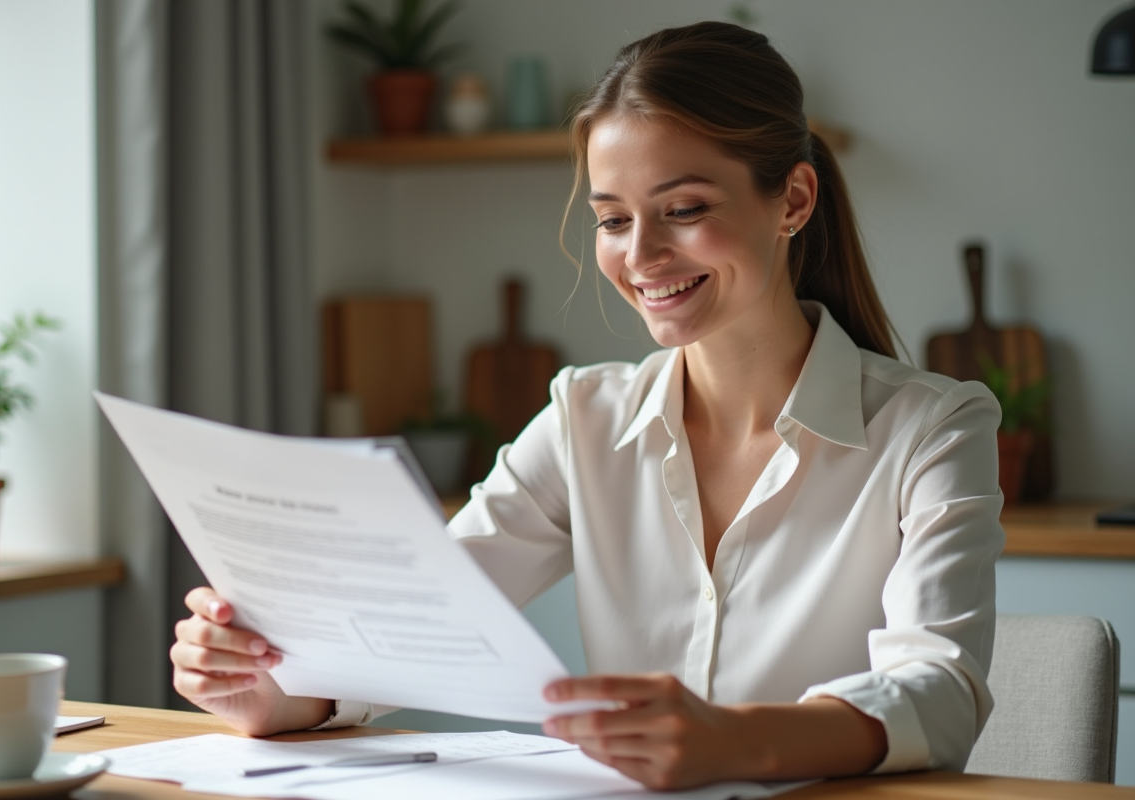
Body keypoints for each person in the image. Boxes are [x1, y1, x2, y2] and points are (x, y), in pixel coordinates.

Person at [170, 21, 1003, 791]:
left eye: (684, 210)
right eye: (612, 220)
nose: (642, 255)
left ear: (793, 200)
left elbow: (939, 692)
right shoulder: (584, 418)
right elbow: (425, 619)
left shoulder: (933, 428)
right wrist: (278, 691)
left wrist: (737, 740)